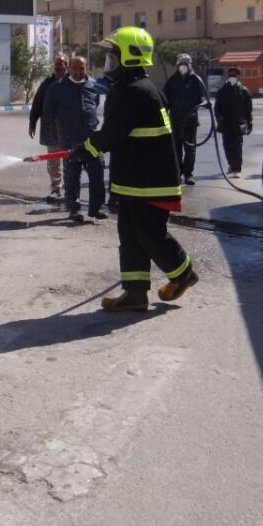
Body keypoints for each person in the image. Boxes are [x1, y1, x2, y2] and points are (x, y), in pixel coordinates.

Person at [70, 27, 197, 312]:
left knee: (149, 233)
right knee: (130, 233)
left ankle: (183, 272)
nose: (109, 65)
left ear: (129, 58)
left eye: (113, 58)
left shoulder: (130, 93)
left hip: (148, 181)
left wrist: (84, 151)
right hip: (138, 180)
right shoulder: (146, 90)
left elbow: (112, 135)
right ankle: (135, 293)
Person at [43, 55, 105, 222]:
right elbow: (48, 111)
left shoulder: (93, 85)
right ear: (69, 68)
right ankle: (74, 209)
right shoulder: (58, 87)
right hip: (69, 139)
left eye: (81, 68)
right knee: (72, 176)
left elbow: (95, 104)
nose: (78, 72)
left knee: (97, 172)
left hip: (91, 139)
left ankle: (96, 208)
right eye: (75, 68)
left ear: (86, 68)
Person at [163, 52, 208, 185]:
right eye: (181, 63)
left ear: (189, 65)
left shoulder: (196, 80)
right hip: (176, 121)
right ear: (177, 65)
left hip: (190, 121)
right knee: (176, 149)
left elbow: (201, 98)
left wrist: (204, 104)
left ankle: (188, 174)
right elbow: (165, 101)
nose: (183, 66)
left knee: (190, 149)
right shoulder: (171, 81)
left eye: (185, 63)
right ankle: (177, 173)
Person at [29, 53, 68, 203]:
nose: (59, 66)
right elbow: (37, 103)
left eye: (62, 63)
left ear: (67, 65)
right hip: (50, 128)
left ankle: (70, 190)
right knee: (53, 160)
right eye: (57, 64)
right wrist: (32, 123)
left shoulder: (72, 82)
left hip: (68, 129)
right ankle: (55, 189)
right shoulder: (47, 83)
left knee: (70, 160)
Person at [213, 66, 253, 178]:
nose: (233, 77)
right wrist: (219, 118)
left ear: (239, 76)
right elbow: (217, 108)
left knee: (237, 146)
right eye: (231, 75)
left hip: (238, 124)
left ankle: (237, 168)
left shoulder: (244, 91)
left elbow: (248, 108)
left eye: (235, 75)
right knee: (227, 145)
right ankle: (231, 164)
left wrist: (249, 122)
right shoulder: (222, 91)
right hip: (225, 124)